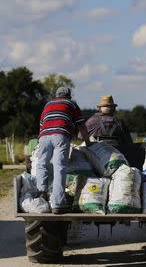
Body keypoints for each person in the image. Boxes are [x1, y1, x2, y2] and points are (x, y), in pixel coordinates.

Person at [35, 86, 90, 214]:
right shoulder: (72, 104)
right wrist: (88, 142)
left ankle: (42, 193)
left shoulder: (48, 105)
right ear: (69, 96)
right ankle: (58, 204)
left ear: (56, 95)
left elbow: (42, 124)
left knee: (41, 163)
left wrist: (41, 139)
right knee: (59, 167)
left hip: (44, 136)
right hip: (60, 135)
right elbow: (81, 125)